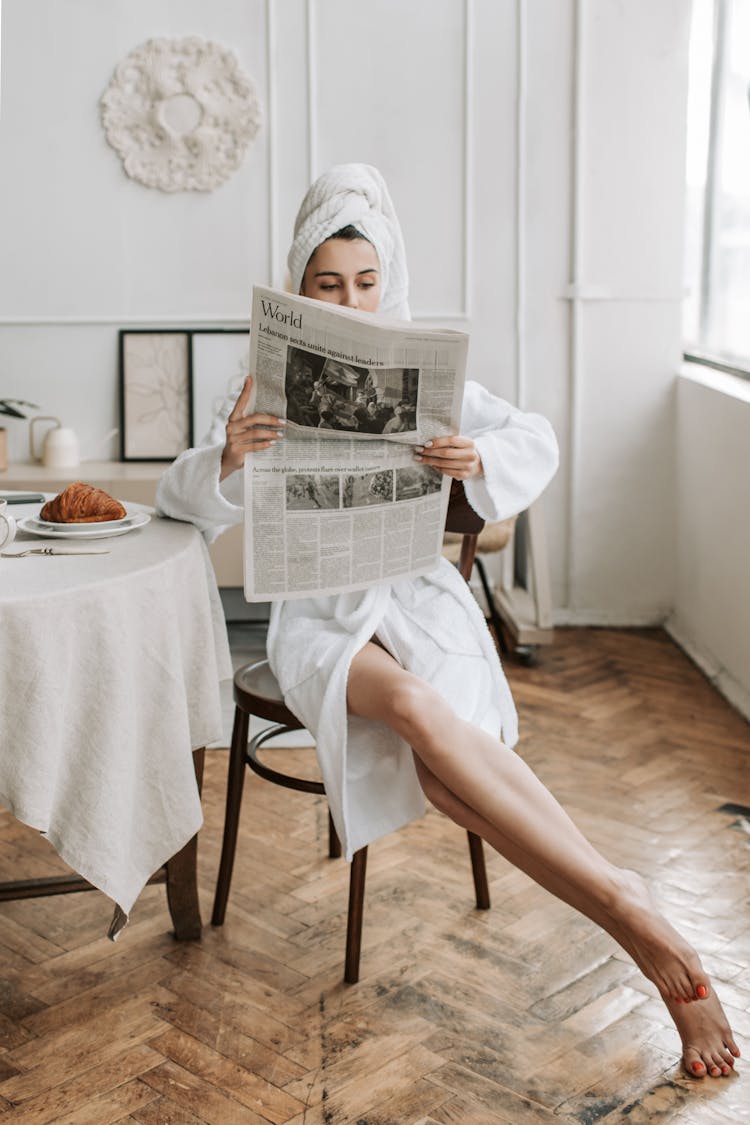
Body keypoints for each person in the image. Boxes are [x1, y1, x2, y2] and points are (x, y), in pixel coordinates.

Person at [156, 163, 739, 1081]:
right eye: (327, 283)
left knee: (447, 777)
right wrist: (225, 459)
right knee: (426, 718)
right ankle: (631, 910)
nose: (350, 298)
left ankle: (633, 915)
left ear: (386, 278)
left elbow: (533, 440)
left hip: (419, 600)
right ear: (299, 288)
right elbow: (182, 497)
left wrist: (476, 455)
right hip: (320, 623)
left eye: (365, 280)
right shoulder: (260, 380)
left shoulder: (423, 371)